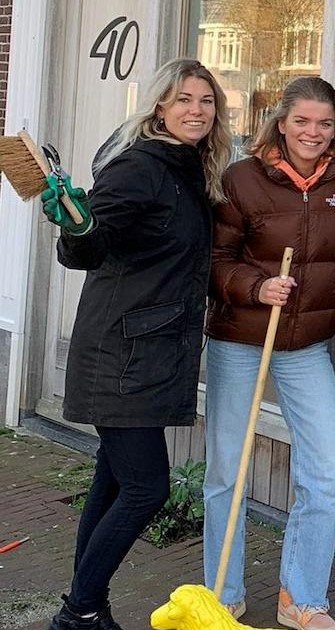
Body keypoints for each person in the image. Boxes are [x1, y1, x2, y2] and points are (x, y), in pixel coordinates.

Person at [39, 58, 232, 630]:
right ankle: (78, 612)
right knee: (147, 488)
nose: (196, 110)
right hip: (120, 352)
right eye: (183, 100)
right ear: (159, 107)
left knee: (115, 478)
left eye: (205, 101)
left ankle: (85, 609)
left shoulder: (190, 167)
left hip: (149, 347)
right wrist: (76, 226)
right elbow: (90, 246)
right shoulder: (140, 167)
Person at [201, 76, 335, 630]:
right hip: (240, 340)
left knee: (326, 472)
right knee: (227, 473)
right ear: (280, 122)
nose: (313, 132)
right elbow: (213, 259)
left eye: (324, 123)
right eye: (302, 121)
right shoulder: (241, 179)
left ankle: (300, 597)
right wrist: (256, 288)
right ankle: (222, 595)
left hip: (306, 347)